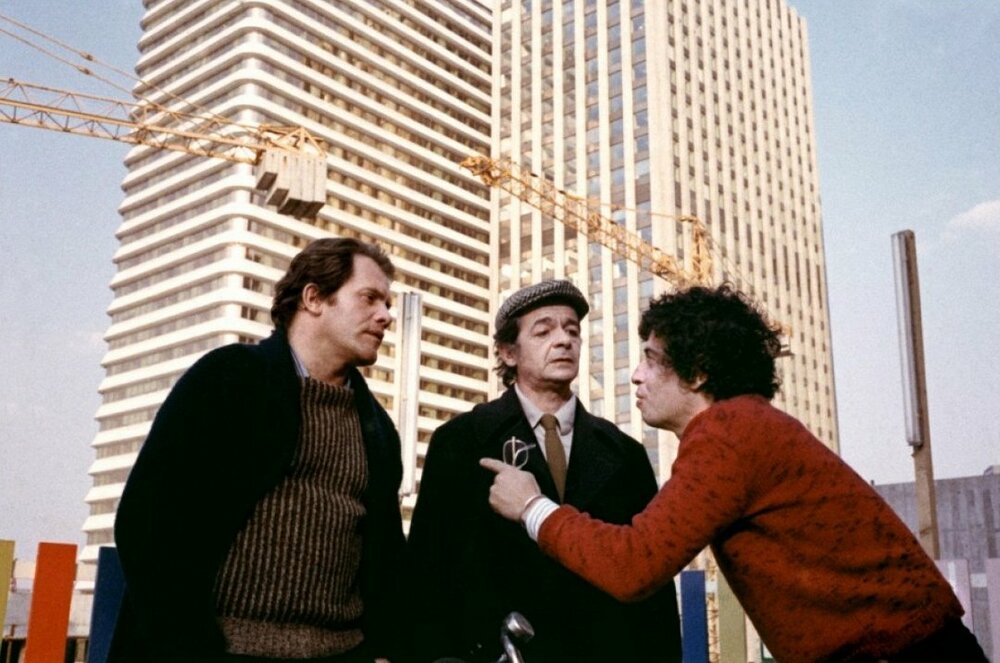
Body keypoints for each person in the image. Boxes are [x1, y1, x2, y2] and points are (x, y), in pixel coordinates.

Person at [482, 284, 988, 663]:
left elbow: (635, 564)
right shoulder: (745, 426)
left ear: (699, 371)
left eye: (651, 360)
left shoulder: (729, 432)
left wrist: (532, 507)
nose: (636, 375)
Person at [111, 238, 407, 663]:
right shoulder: (229, 378)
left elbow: (386, 557)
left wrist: (383, 650)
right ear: (313, 298)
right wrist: (190, 647)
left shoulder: (378, 428)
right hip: (219, 650)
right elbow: (147, 522)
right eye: (369, 298)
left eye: (387, 304)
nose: (385, 316)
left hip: (342, 652)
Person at [407, 279, 682, 663]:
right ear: (508, 353)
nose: (564, 340)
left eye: (572, 330)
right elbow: (426, 574)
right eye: (544, 331)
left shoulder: (625, 453)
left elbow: (655, 593)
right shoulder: (460, 441)